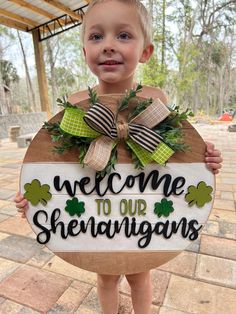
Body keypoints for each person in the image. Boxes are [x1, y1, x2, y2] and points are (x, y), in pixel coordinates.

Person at [14, 1, 222, 313]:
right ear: (85, 52)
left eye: (123, 36)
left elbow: (179, 155)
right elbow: (52, 161)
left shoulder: (156, 102)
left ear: (146, 51)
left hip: (142, 213)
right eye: (96, 37)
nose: (109, 46)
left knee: (140, 273)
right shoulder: (76, 106)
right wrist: (34, 199)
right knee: (106, 275)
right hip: (96, 214)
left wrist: (205, 162)